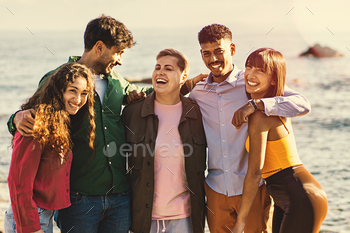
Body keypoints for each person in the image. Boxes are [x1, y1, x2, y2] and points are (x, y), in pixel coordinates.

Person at [6, 15, 155, 233]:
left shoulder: (117, 80)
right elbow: (35, 118)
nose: (121, 60)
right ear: (100, 47)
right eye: (118, 52)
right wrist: (16, 117)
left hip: (120, 198)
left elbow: (151, 95)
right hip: (79, 199)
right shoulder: (57, 79)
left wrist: (187, 85)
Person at [186, 24, 312, 233]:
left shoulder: (251, 82)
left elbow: (302, 104)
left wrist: (256, 104)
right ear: (201, 54)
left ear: (232, 49)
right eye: (207, 54)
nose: (213, 59)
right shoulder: (198, 92)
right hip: (216, 188)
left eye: (219, 51)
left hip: (254, 188)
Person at [232, 48, 328, 233]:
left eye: (260, 70)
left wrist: (241, 221)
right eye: (249, 67)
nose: (251, 74)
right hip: (288, 197)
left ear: (274, 79)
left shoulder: (260, 116)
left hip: (300, 197)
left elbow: (254, 172)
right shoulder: (275, 106)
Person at [121, 49, 207, 233]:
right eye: (157, 67)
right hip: (144, 219)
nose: (160, 72)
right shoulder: (132, 113)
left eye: (168, 68)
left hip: (185, 218)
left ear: (183, 76)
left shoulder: (196, 113)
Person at [4, 63, 95, 233]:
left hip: (44, 215)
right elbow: (18, 183)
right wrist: (31, 228)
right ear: (59, 90)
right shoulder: (36, 122)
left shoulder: (60, 121)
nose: (78, 100)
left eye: (84, 93)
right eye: (72, 91)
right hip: (29, 219)